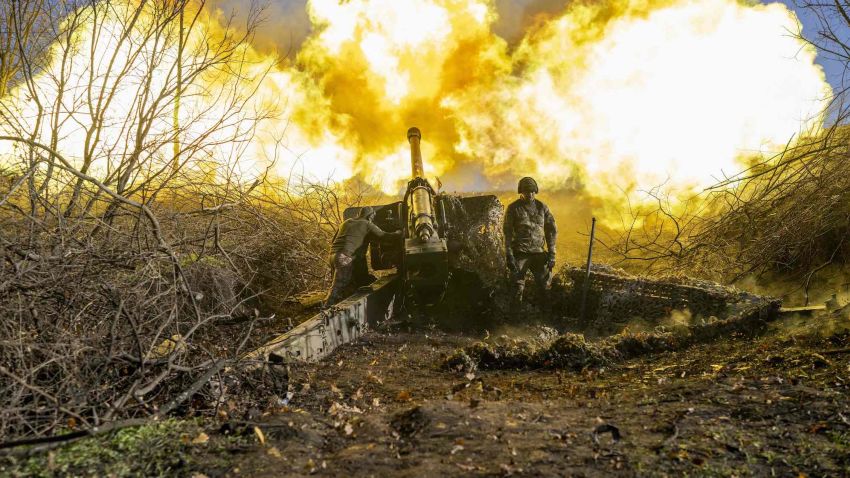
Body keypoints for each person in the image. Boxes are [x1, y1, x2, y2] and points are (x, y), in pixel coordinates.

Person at [324, 206, 400, 307]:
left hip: (333, 256)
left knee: (347, 284)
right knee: (339, 285)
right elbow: (384, 236)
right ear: (370, 216)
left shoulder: (346, 222)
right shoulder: (367, 224)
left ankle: (332, 304)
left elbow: (335, 239)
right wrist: (398, 233)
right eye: (373, 216)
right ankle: (325, 306)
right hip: (345, 257)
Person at [503, 176, 557, 310]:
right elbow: (507, 233)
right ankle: (515, 323)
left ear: (536, 191)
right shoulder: (513, 208)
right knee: (517, 287)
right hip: (520, 254)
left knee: (545, 286)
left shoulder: (542, 207)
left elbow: (551, 230)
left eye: (532, 191)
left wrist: (552, 254)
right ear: (521, 191)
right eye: (526, 191)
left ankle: (545, 318)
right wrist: (509, 254)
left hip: (539, 253)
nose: (529, 194)